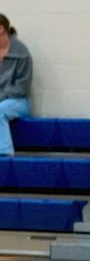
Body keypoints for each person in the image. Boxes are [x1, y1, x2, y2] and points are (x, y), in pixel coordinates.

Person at [0, 14, 32, 157]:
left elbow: (22, 88)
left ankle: (5, 154)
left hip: (19, 101)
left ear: (1, 29)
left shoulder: (21, 52)